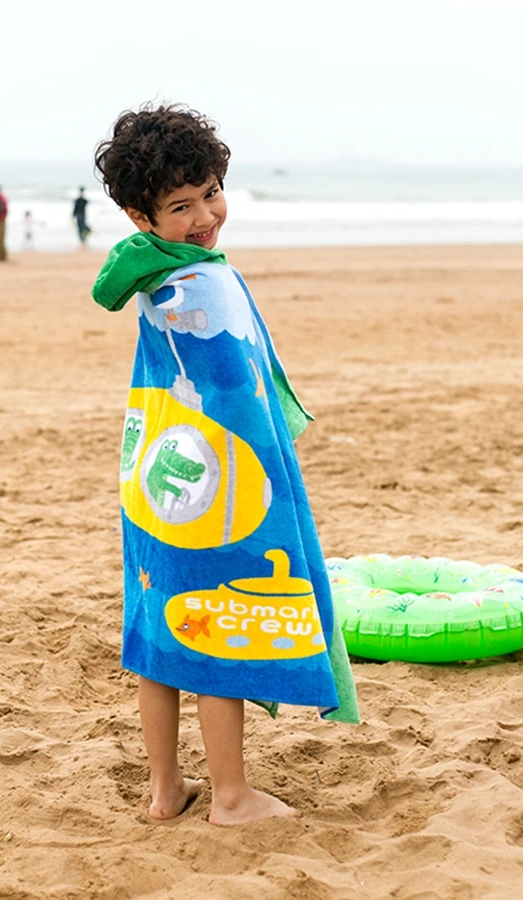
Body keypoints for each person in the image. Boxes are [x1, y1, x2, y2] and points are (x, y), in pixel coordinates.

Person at [91, 104, 358, 826]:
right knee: (217, 628)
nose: (205, 215)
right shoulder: (202, 283)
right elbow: (238, 399)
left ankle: (164, 792)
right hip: (214, 488)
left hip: (156, 479)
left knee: (157, 633)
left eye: (210, 191)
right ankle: (232, 798)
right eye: (181, 205)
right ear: (138, 216)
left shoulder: (153, 271)